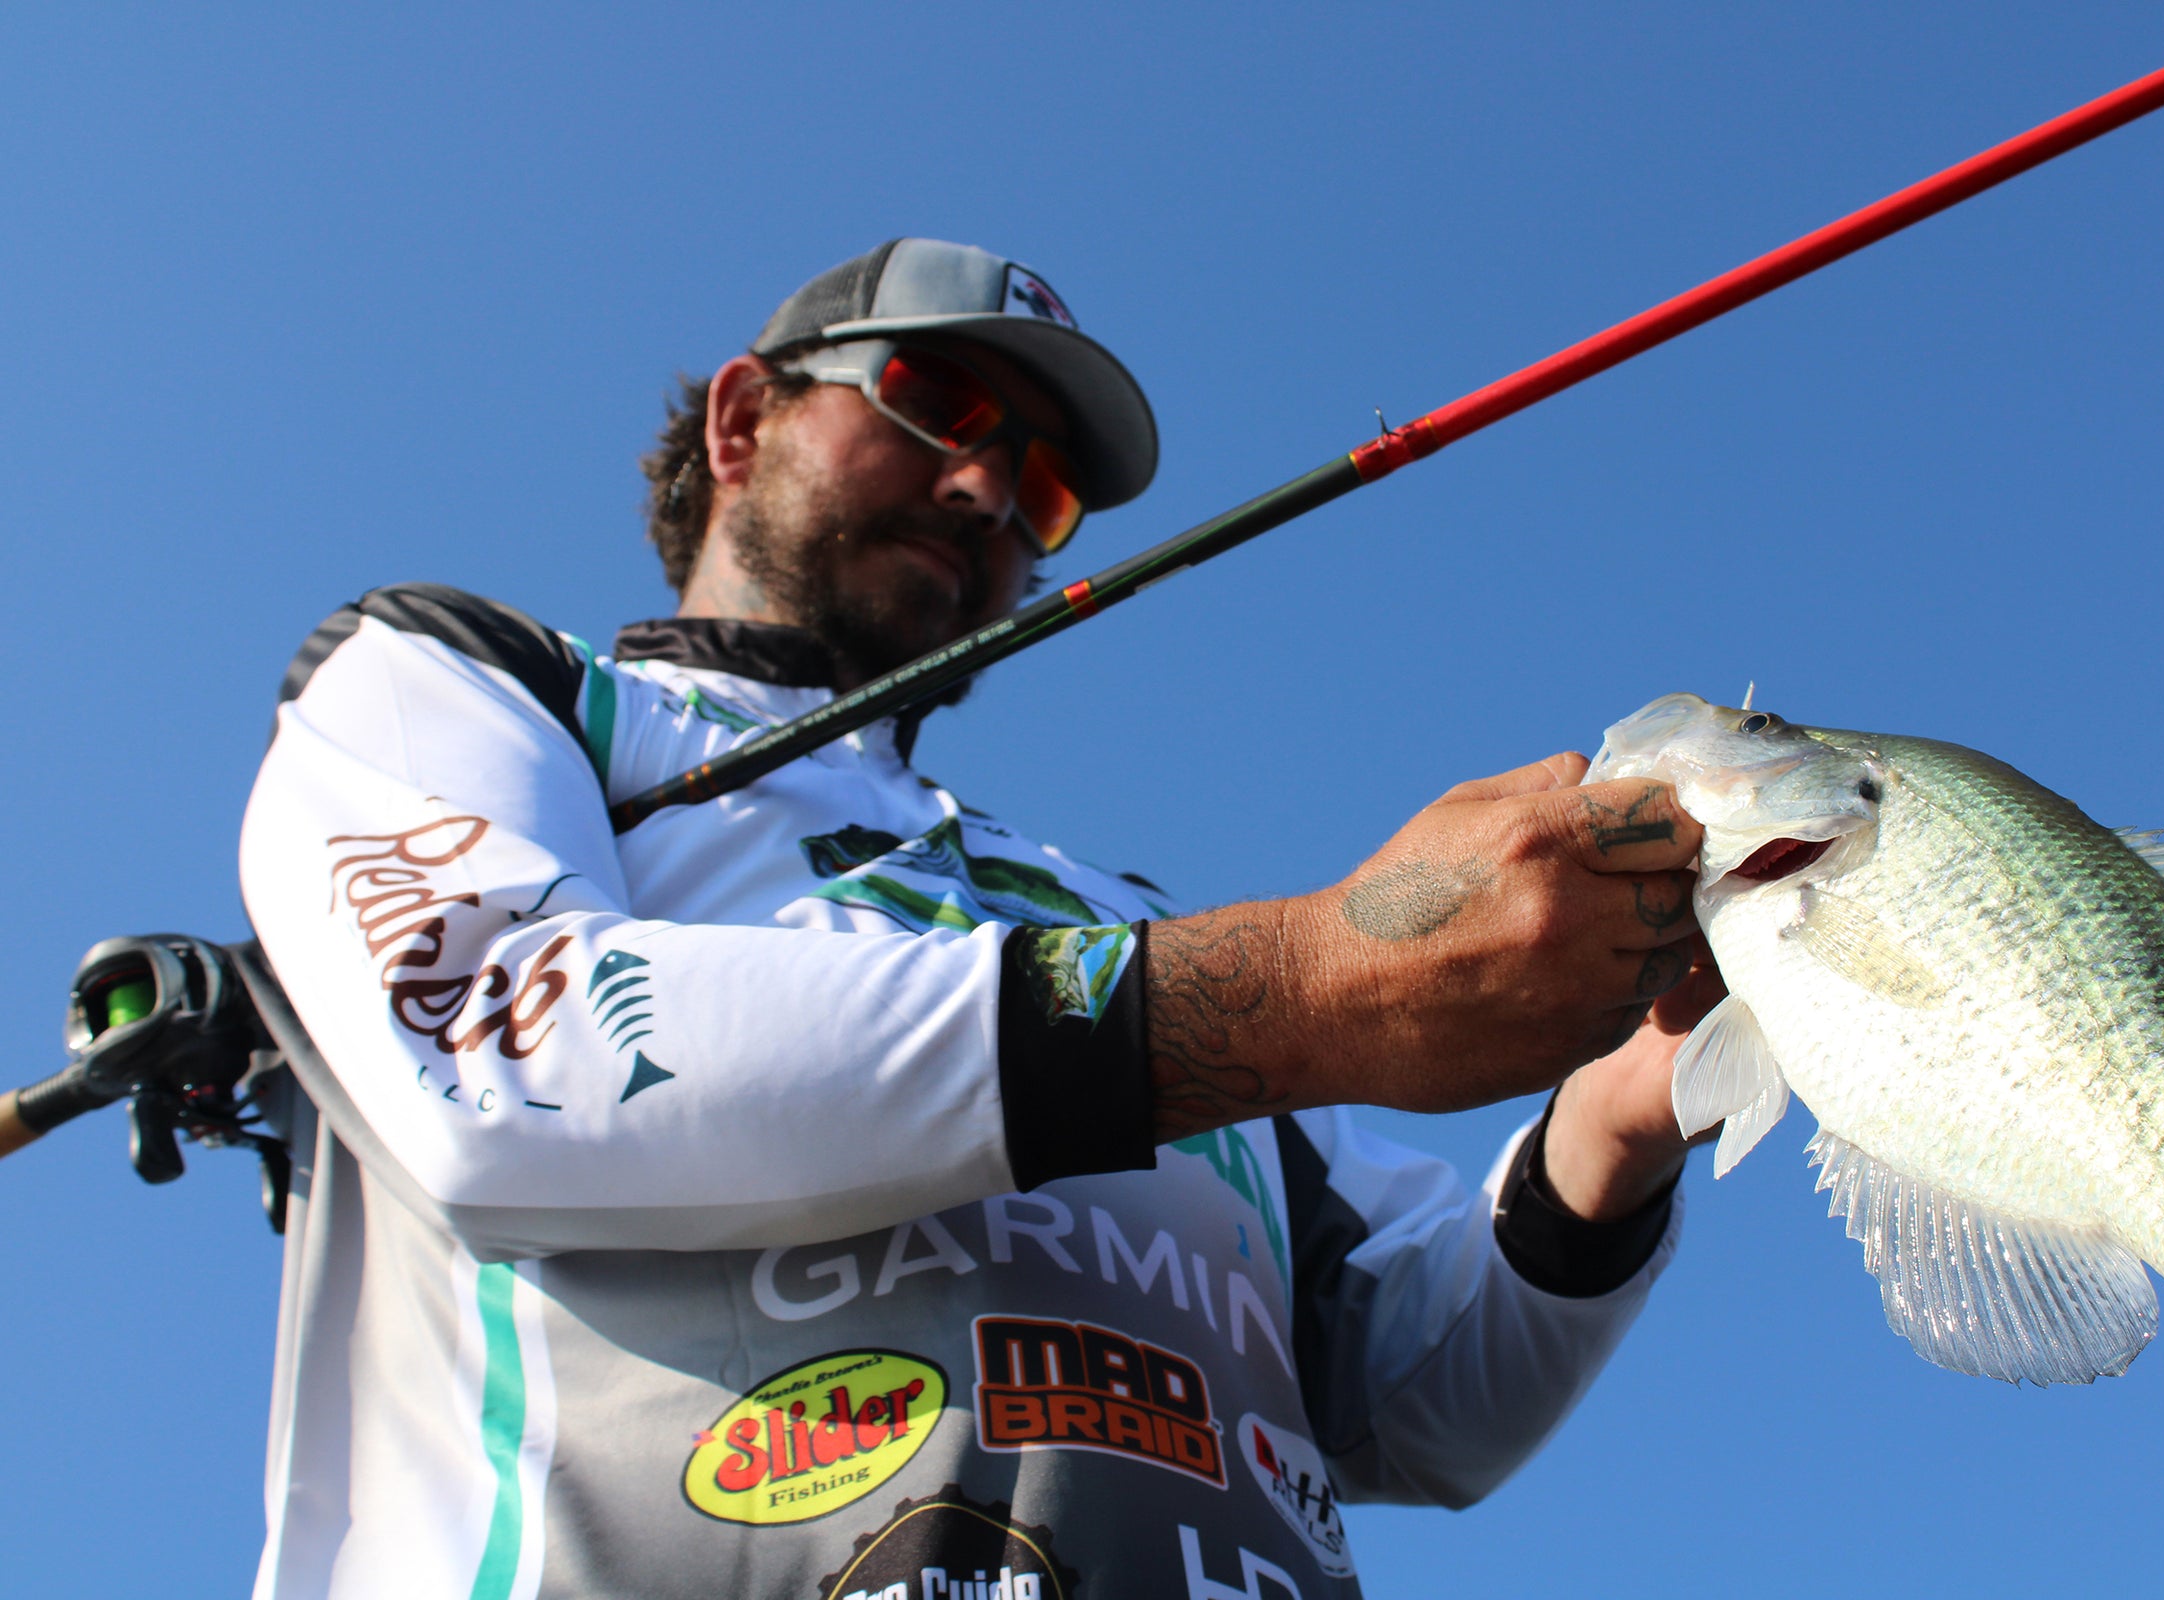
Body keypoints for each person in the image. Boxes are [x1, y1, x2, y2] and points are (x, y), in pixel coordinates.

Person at [239, 238, 1719, 1600]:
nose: (990, 493)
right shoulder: (475, 682)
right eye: (936, 402)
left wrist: (1621, 1115)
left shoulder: (1116, 911)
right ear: (742, 418)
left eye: (1045, 487)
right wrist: (1302, 986)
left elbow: (1421, 1407)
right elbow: (513, 1060)